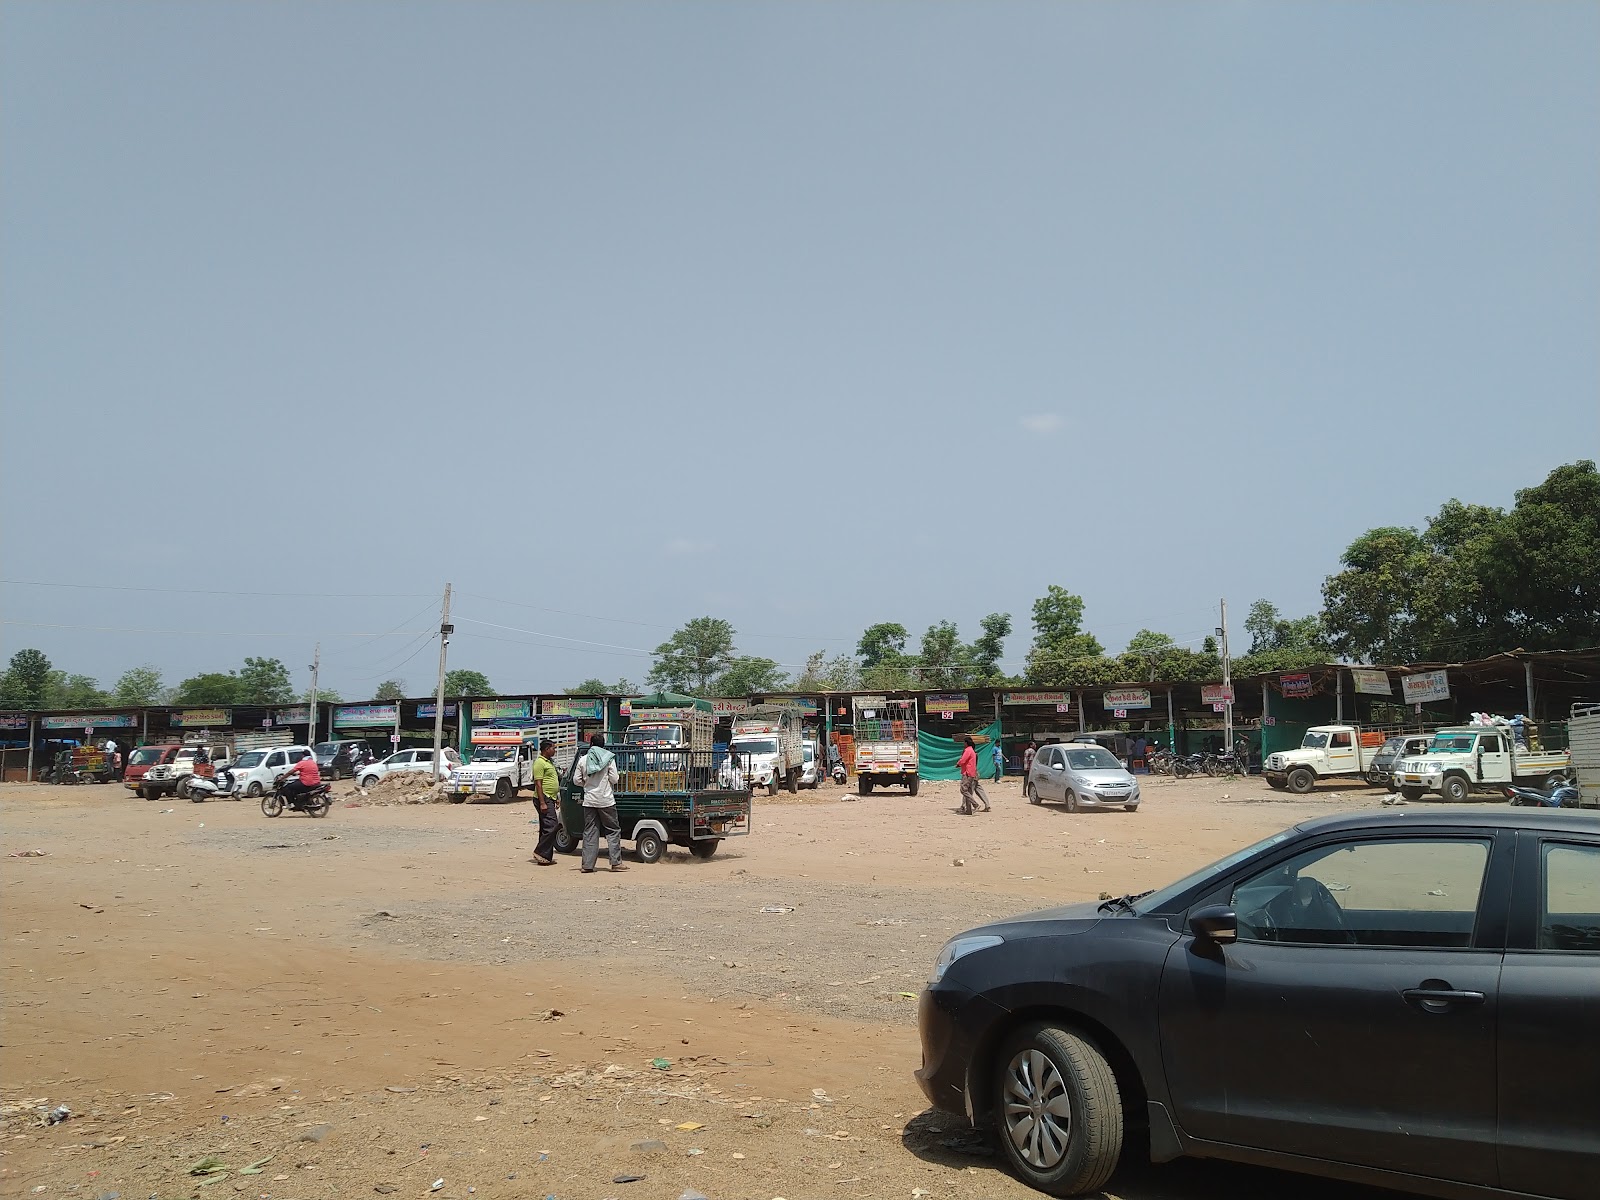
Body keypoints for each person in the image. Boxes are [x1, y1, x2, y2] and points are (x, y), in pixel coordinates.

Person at [573, 732, 626, 873]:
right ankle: (616, 863)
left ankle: (587, 865)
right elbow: (615, 779)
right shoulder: (608, 759)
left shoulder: (583, 760)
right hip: (606, 800)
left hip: (589, 801)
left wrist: (587, 784)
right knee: (613, 830)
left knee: (590, 832)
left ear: (591, 744)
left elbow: (576, 780)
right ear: (603, 745)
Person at [530, 739, 561, 866]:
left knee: (545, 827)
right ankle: (540, 851)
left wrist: (557, 797)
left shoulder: (550, 762)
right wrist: (542, 802)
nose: (555, 750)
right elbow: (538, 783)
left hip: (550, 797)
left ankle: (545, 857)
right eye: (553, 748)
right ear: (546, 749)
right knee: (552, 826)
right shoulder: (539, 763)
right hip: (543, 798)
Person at [957, 735, 989, 814]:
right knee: (976, 790)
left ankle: (971, 805)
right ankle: (969, 809)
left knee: (966, 791)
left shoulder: (968, 751)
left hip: (969, 773)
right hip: (973, 773)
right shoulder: (974, 753)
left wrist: (958, 764)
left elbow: (963, 760)